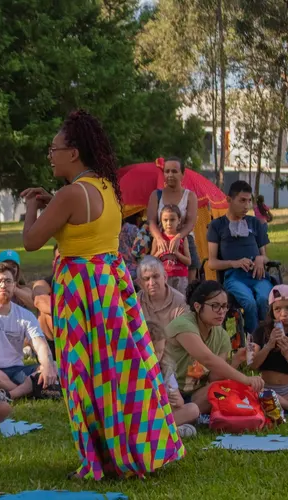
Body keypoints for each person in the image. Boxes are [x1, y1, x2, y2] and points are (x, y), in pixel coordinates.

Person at [20, 109, 182, 480]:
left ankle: (98, 459)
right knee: (121, 370)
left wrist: (32, 207)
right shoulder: (107, 186)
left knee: (84, 374)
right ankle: (131, 449)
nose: (51, 154)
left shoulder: (70, 194)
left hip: (81, 290)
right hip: (111, 285)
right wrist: (53, 203)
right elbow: (82, 226)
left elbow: (31, 242)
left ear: (74, 152)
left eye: (54, 147)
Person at [164, 281, 264, 414]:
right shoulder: (183, 324)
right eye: (215, 306)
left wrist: (236, 360)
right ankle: (183, 417)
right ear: (198, 306)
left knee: (221, 388)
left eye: (224, 306)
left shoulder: (222, 336)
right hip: (167, 392)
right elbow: (207, 359)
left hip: (194, 395)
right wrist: (246, 379)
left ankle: (187, 416)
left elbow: (213, 377)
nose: (221, 311)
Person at [0, 263, 59, 401]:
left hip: (18, 371)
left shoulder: (25, 315)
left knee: (55, 366)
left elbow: (40, 345)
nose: (3, 285)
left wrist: (47, 365)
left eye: (8, 281)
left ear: (14, 285)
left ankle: (10, 394)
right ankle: (29, 390)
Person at [206, 180, 274, 335]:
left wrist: (259, 259)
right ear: (229, 200)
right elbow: (212, 263)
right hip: (234, 277)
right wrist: (234, 263)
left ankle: (266, 337)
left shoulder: (255, 223)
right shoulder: (217, 225)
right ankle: (255, 339)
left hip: (258, 275)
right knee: (249, 302)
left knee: (264, 300)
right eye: (242, 200)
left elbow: (265, 257)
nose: (247, 206)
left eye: (249, 201)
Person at [146, 157, 200, 278]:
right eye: (167, 171)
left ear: (182, 174)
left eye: (174, 171)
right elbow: (151, 222)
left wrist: (178, 237)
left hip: (185, 239)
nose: (170, 174)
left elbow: (191, 223)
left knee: (190, 277)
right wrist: (159, 239)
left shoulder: (190, 196)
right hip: (160, 240)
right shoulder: (156, 195)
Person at [146, 320, 200, 438]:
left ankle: (164, 430)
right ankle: (169, 431)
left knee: (193, 409)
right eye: (153, 351)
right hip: (144, 417)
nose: (157, 356)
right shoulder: (138, 370)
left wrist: (175, 400)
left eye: (160, 351)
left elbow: (179, 402)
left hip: (163, 415)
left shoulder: (165, 370)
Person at [250, 284, 288, 412]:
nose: (284, 314)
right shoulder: (259, 330)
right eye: (278, 309)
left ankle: (277, 401)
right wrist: (269, 345)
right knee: (251, 390)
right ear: (271, 311)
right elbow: (251, 364)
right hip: (266, 386)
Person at [137, 256, 188, 329]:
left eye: (155, 276)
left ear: (165, 277)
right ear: (140, 284)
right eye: (146, 279)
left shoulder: (180, 302)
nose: (152, 283)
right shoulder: (135, 302)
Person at [152, 205, 191, 295]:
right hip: (162, 278)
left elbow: (188, 261)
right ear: (161, 221)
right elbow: (151, 260)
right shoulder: (158, 239)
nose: (168, 223)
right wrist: (159, 253)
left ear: (179, 220)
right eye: (165, 220)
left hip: (180, 277)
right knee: (164, 302)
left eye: (172, 220)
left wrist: (177, 253)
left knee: (180, 302)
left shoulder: (182, 238)